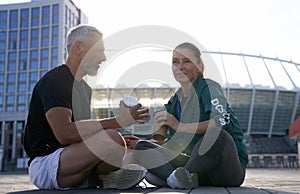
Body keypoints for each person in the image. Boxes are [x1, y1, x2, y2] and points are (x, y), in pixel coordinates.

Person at [23, 24, 149, 190]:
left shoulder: (85, 89)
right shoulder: (56, 80)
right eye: (99, 51)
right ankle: (102, 179)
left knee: (129, 147)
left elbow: (82, 133)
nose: (103, 58)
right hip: (47, 163)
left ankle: (100, 180)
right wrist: (117, 121)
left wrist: (120, 141)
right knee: (112, 138)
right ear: (78, 48)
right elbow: (65, 134)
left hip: (72, 157)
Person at [133, 42, 248, 189]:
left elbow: (222, 121)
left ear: (199, 66)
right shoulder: (176, 99)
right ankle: (175, 178)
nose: (180, 67)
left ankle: (171, 177)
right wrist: (155, 140)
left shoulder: (208, 87)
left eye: (186, 61)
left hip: (224, 169)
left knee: (216, 135)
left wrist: (179, 126)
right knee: (141, 146)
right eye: (175, 62)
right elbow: (165, 140)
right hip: (193, 168)